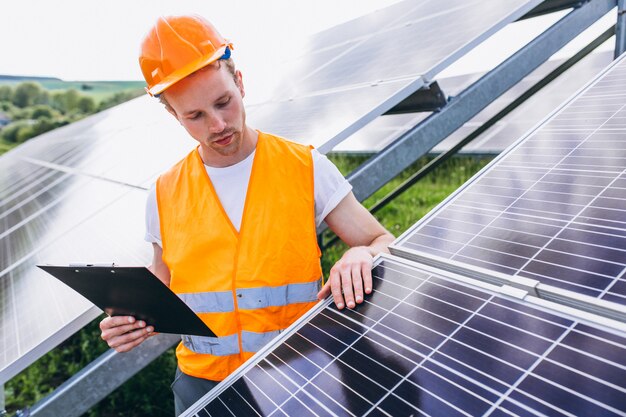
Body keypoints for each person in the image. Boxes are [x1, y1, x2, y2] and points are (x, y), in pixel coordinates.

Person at [100, 14, 394, 415]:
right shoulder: (164, 192)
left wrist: (363, 254)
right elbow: (162, 280)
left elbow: (381, 240)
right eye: (195, 115)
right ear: (173, 114)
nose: (218, 124)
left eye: (223, 102)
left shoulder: (305, 166)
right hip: (203, 388)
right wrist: (127, 317)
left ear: (240, 82)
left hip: (299, 374)